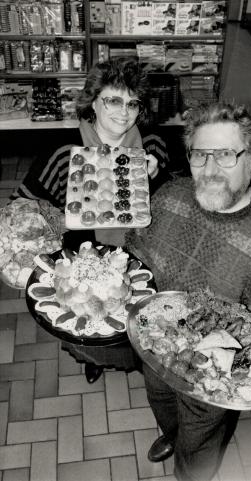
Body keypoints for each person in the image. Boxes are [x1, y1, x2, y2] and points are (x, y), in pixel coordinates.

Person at [125, 100, 251, 481]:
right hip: (155, 349)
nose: (210, 170)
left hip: (210, 376)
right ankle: (171, 434)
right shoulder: (168, 196)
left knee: (199, 440)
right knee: (160, 401)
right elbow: (136, 249)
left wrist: (221, 343)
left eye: (225, 155)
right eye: (200, 155)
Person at [10, 59, 171, 384]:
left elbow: (174, 200)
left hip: (141, 257)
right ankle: (92, 358)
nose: (123, 112)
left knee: (135, 321)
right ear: (93, 101)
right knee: (92, 323)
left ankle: (138, 355)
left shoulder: (152, 145)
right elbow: (24, 208)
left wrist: (159, 172)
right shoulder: (65, 151)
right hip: (85, 268)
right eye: (113, 100)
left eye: (132, 103)